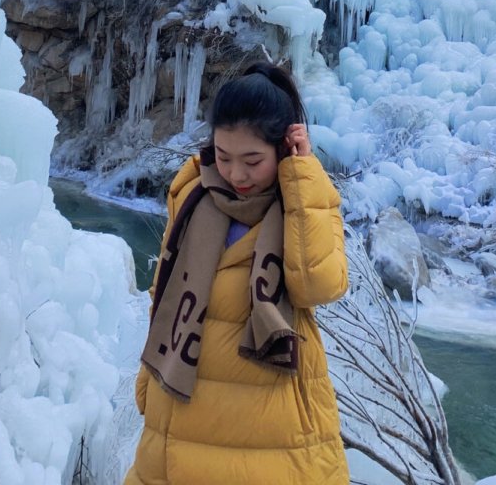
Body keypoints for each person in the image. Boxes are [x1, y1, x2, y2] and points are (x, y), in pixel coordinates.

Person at [124, 59, 350, 485]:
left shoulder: (304, 202)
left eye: (252, 160)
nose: (236, 174)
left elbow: (318, 283)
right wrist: (148, 381)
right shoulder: (193, 196)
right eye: (224, 157)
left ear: (283, 149)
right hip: (182, 410)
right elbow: (164, 295)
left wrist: (302, 176)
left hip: (273, 429)